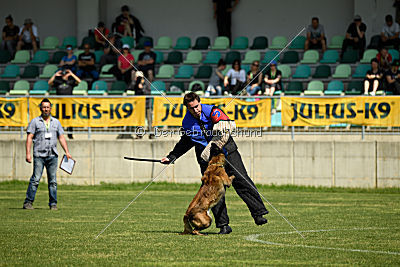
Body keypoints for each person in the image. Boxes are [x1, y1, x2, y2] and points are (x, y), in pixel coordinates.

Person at [161, 92, 269, 234]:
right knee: (212, 192)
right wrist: (172, 156)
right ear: (187, 108)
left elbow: (225, 124)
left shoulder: (213, 111)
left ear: (200, 102)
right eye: (192, 108)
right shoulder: (187, 123)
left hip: (226, 152)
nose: (196, 110)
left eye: (197, 106)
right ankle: (223, 225)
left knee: (242, 180)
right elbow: (186, 141)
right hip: (206, 159)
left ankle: (258, 213)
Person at [23, 98, 72, 210]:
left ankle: (53, 204)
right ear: (41, 108)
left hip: (52, 156)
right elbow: (29, 137)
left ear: (50, 108)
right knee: (35, 179)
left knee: (53, 181)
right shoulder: (35, 122)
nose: (46, 109)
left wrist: (67, 152)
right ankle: (28, 202)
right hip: (39, 155)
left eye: (48, 107)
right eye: (44, 107)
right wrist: (28, 154)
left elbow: (61, 137)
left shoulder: (56, 122)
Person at [48, 69, 81, 139]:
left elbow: (79, 81)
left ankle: (70, 134)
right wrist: (55, 75)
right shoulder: (58, 81)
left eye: (66, 73)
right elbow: (49, 82)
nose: (64, 75)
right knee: (59, 119)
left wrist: (71, 74)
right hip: (60, 104)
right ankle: (59, 133)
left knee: (69, 119)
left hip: (69, 103)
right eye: (63, 73)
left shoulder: (71, 81)